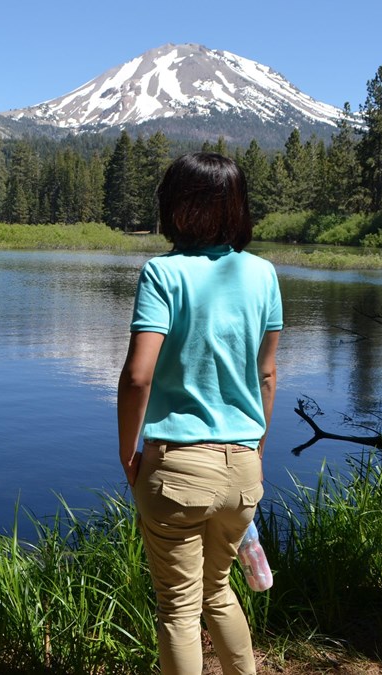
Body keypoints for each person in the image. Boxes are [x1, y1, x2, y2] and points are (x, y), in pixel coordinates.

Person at [117, 152, 281, 675]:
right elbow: (268, 374)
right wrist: (254, 447)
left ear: (175, 207)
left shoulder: (163, 273)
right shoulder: (263, 274)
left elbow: (138, 376)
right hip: (243, 469)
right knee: (218, 590)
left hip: (178, 470)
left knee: (179, 608)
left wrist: (128, 453)